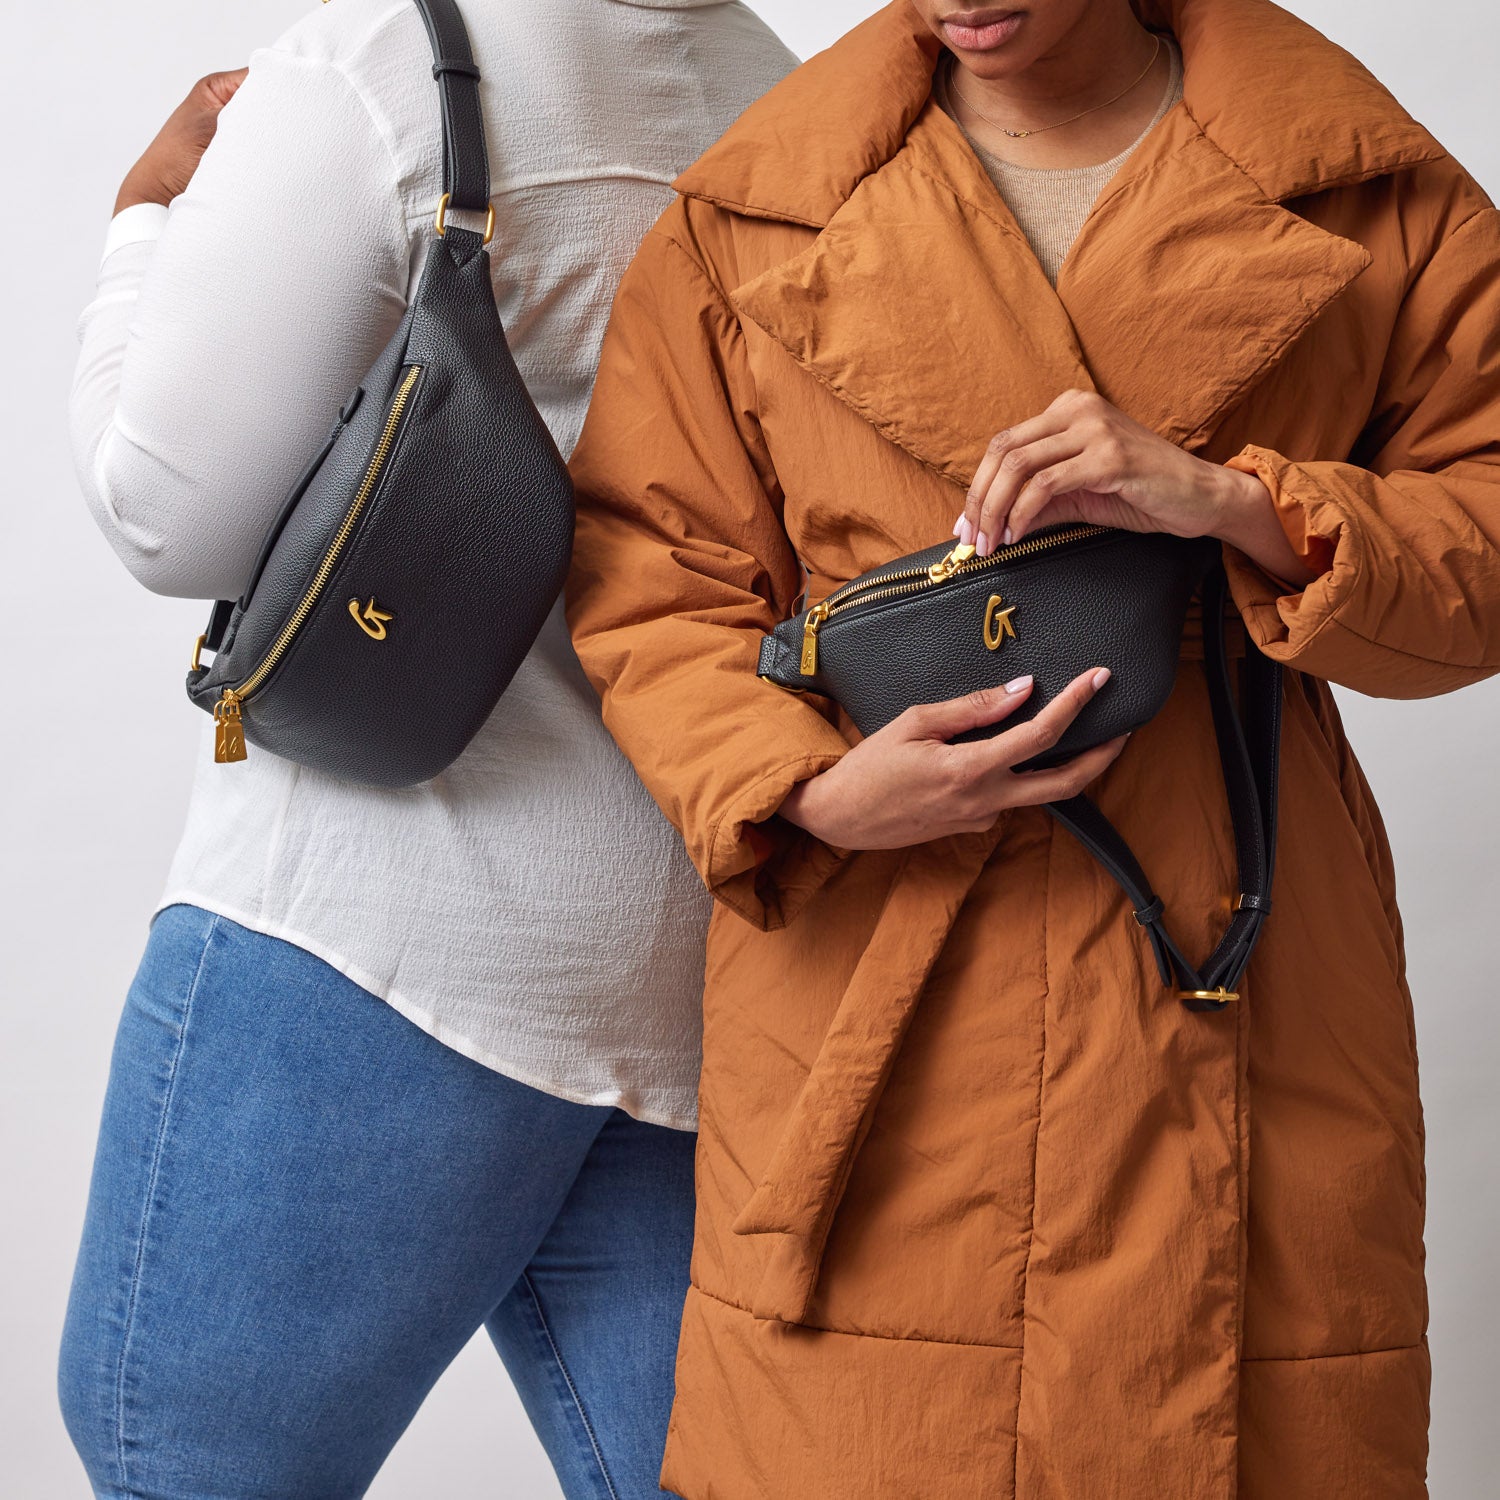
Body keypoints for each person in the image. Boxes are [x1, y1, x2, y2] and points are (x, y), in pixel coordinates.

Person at [563, 0, 1500, 1494]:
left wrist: (1244, 506)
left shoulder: (1367, 187)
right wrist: (809, 788)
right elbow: (651, 577)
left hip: (1246, 932)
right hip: (885, 972)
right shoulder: (753, 210)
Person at [57, 2, 795, 1497]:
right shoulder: (783, 93)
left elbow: (165, 519)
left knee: (176, 1460)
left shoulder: (383, 67)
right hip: (699, 964)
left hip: (380, 934)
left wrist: (139, 224)